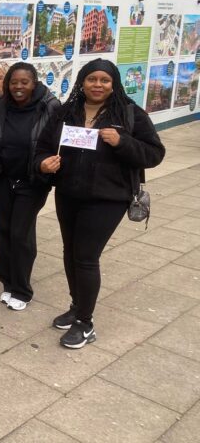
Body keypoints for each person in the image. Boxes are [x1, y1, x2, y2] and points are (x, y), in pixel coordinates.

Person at [36, 59, 164, 348]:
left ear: (113, 84)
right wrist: (42, 164)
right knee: (70, 252)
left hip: (108, 198)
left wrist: (122, 142)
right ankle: (76, 305)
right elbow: (42, 147)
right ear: (82, 81)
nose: (97, 85)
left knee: (85, 256)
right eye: (92, 79)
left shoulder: (129, 113)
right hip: (68, 193)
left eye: (104, 80)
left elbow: (155, 153)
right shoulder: (66, 112)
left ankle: (85, 323)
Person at [0, 63, 60, 311]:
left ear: (34, 83)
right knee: (3, 231)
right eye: (13, 82)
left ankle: (22, 289)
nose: (18, 87)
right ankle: (8, 283)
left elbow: (58, 142)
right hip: (2, 179)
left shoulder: (49, 107)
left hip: (32, 181)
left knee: (21, 233)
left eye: (24, 82)